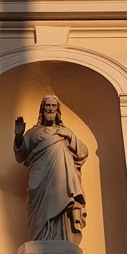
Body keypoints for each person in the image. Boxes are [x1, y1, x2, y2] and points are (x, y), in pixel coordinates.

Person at [14, 95, 88, 244]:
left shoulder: (64, 131)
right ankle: (38, 240)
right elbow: (21, 156)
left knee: (60, 200)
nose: (50, 109)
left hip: (60, 178)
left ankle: (61, 239)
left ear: (57, 110)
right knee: (39, 208)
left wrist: (70, 136)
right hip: (39, 176)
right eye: (47, 105)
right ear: (42, 109)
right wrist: (19, 137)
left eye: (53, 106)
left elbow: (83, 152)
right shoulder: (33, 133)